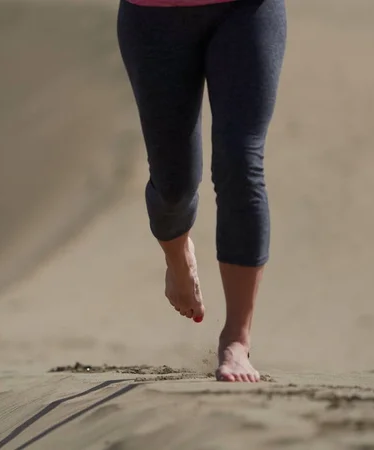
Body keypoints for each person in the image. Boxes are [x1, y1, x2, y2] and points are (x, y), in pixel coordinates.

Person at [117, 0, 287, 382]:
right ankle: (178, 259)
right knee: (173, 184)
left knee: (240, 161)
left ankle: (236, 340)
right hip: (153, 15)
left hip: (246, 10)